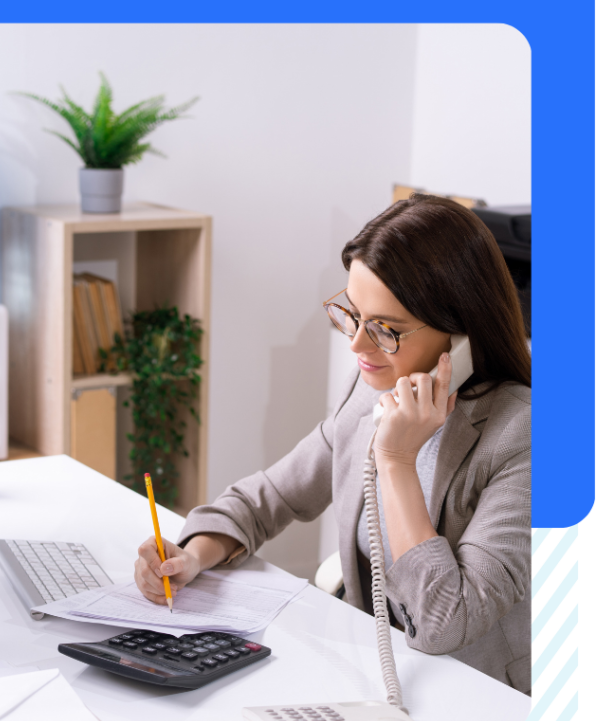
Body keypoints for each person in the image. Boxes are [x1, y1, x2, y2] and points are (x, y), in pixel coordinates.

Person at [134, 193, 532, 694]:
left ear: (462, 337)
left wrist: (396, 460)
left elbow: (444, 624)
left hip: (472, 696)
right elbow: (267, 499)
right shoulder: (371, 394)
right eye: (353, 314)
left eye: (385, 330)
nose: (357, 346)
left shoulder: (522, 438)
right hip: (366, 673)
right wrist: (192, 555)